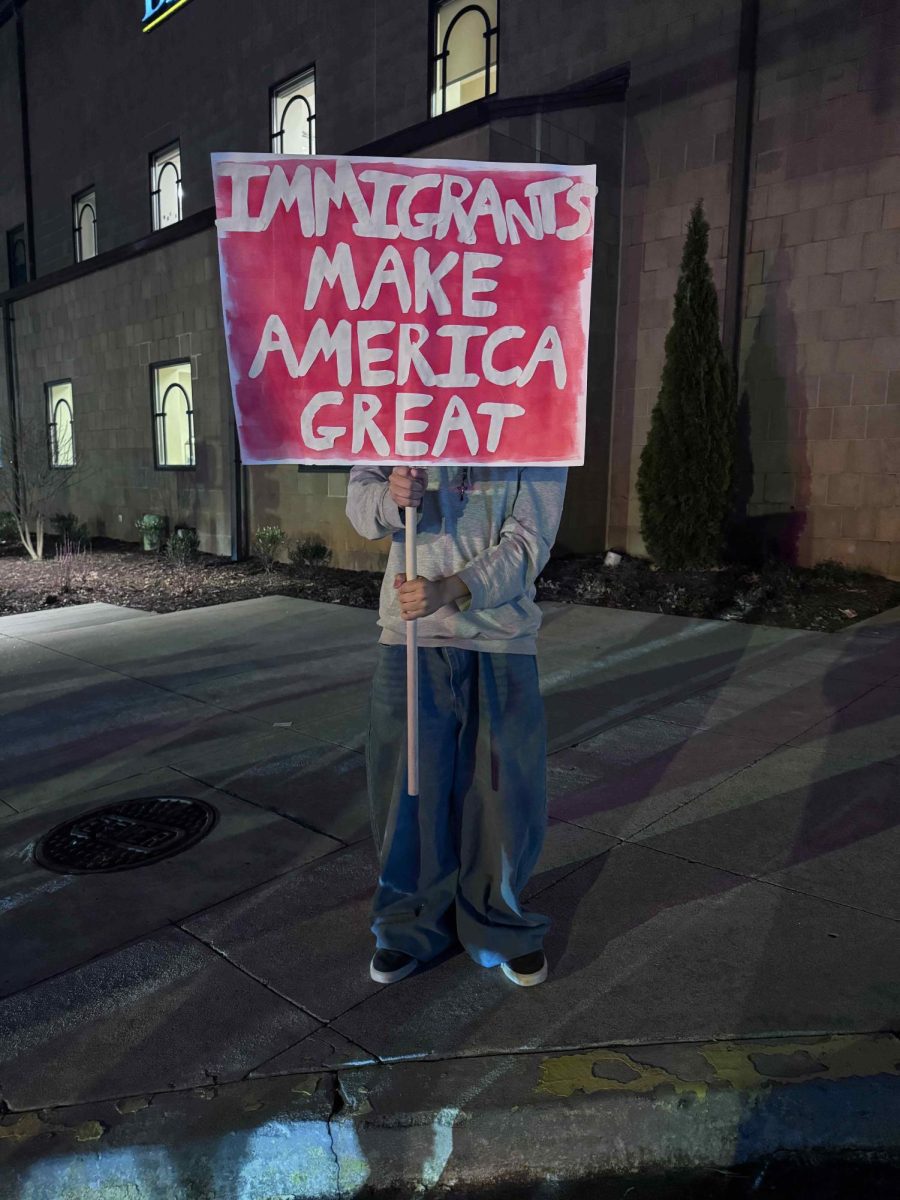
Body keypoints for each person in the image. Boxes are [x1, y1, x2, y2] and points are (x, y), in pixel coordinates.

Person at [346, 461, 567, 988]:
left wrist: (451, 588)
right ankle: (407, 924)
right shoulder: (400, 400)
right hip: (408, 636)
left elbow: (532, 536)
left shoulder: (540, 407)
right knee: (407, 790)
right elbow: (361, 504)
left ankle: (498, 924)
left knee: (502, 793)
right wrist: (389, 498)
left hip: (500, 636)